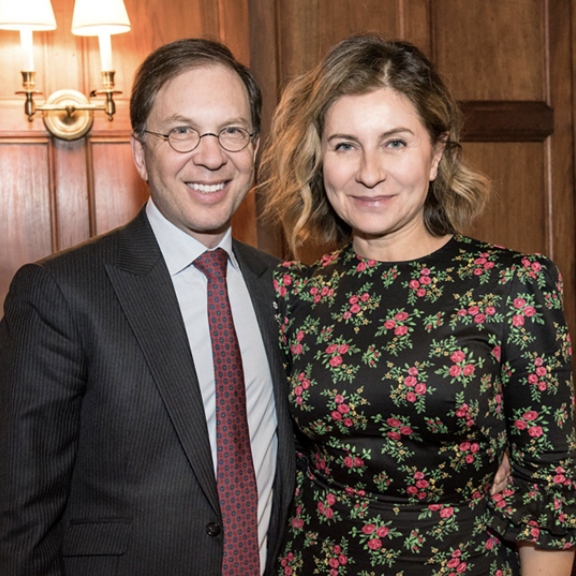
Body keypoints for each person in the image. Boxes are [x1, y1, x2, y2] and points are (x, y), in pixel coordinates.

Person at [262, 34, 576, 575]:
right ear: (320, 161)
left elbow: (546, 485)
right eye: (344, 145)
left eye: (395, 143)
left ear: (437, 153)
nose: (368, 171)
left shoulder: (512, 286)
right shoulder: (291, 294)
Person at [0, 38, 296, 576]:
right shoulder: (60, 293)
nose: (211, 155)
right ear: (140, 152)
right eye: (182, 131)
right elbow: (20, 515)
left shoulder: (282, 287)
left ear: (254, 148)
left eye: (232, 131)